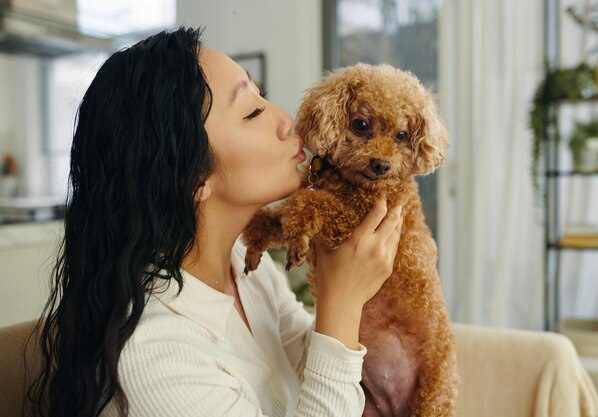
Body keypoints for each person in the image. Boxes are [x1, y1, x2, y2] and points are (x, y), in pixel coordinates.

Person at [29, 26, 403, 417]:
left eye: (264, 96)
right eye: (252, 111)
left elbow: (312, 366)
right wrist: (341, 301)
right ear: (191, 180)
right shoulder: (156, 358)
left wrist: (352, 285)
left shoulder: (246, 266)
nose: (284, 120)